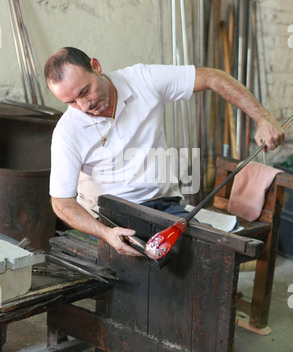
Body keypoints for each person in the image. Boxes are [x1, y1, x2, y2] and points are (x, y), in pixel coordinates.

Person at [44, 47, 285, 256]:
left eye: (85, 91)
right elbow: (62, 202)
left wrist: (262, 118)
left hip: (163, 204)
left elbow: (213, 77)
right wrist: (105, 233)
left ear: (96, 67)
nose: (84, 106)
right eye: (71, 102)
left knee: (206, 250)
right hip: (109, 215)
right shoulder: (68, 131)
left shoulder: (142, 79)